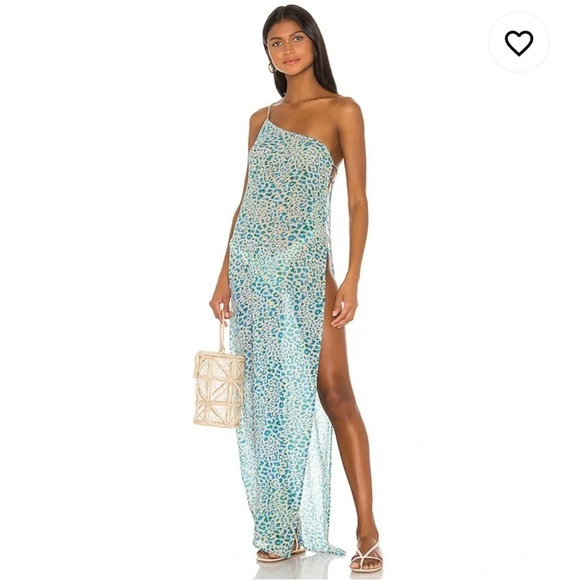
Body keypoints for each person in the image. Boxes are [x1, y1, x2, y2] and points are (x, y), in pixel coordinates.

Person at [209, 5, 382, 573]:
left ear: (314, 44)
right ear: (267, 54)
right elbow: (248, 199)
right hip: (253, 275)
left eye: (296, 38)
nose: (287, 50)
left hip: (309, 272)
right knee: (267, 401)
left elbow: (357, 201)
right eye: (276, 43)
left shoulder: (343, 110)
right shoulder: (260, 119)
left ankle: (367, 529)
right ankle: (281, 528)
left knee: (335, 392)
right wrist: (223, 274)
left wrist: (352, 275)